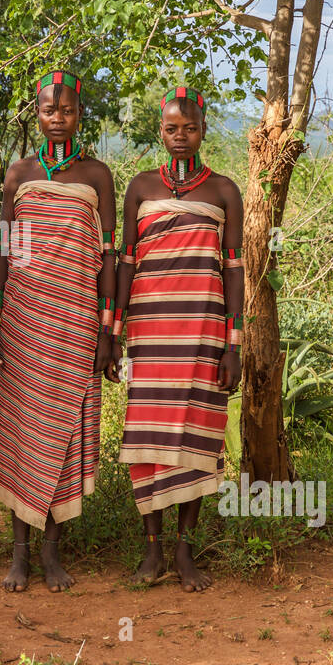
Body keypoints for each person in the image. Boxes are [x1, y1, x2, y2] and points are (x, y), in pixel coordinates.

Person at [0, 70, 117, 593]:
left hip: (78, 319)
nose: (57, 118)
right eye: (47, 111)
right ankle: (19, 552)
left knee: (64, 428)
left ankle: (52, 550)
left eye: (66, 111)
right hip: (24, 318)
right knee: (23, 430)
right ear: (36, 115)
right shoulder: (18, 173)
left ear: (79, 114)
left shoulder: (98, 175)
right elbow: (1, 250)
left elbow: (109, 257)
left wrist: (109, 331)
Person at [111, 86, 243, 592]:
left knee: (196, 436)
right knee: (148, 437)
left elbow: (234, 269)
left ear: (204, 129)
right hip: (149, 333)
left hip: (203, 332)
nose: (180, 136)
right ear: (159, 132)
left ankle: (185, 551)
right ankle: (152, 551)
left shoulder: (224, 190)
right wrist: (114, 333)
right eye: (171, 128)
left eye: (189, 127)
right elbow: (125, 261)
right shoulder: (140, 187)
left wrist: (233, 344)